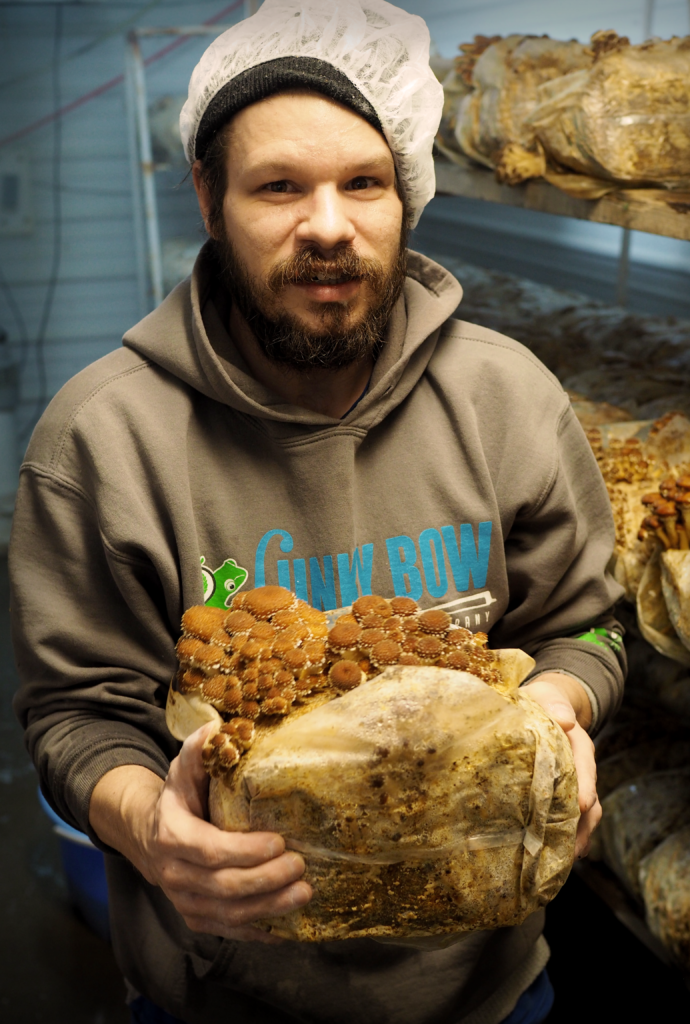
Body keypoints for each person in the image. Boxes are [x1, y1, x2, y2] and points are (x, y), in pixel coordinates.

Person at [11, 2, 626, 1023]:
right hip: (228, 993)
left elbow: (594, 620)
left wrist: (565, 703)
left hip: (488, 993)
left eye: (364, 183)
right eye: (280, 186)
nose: (330, 226)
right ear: (208, 197)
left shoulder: (507, 397)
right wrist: (150, 827)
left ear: (407, 197)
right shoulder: (102, 443)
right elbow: (76, 714)